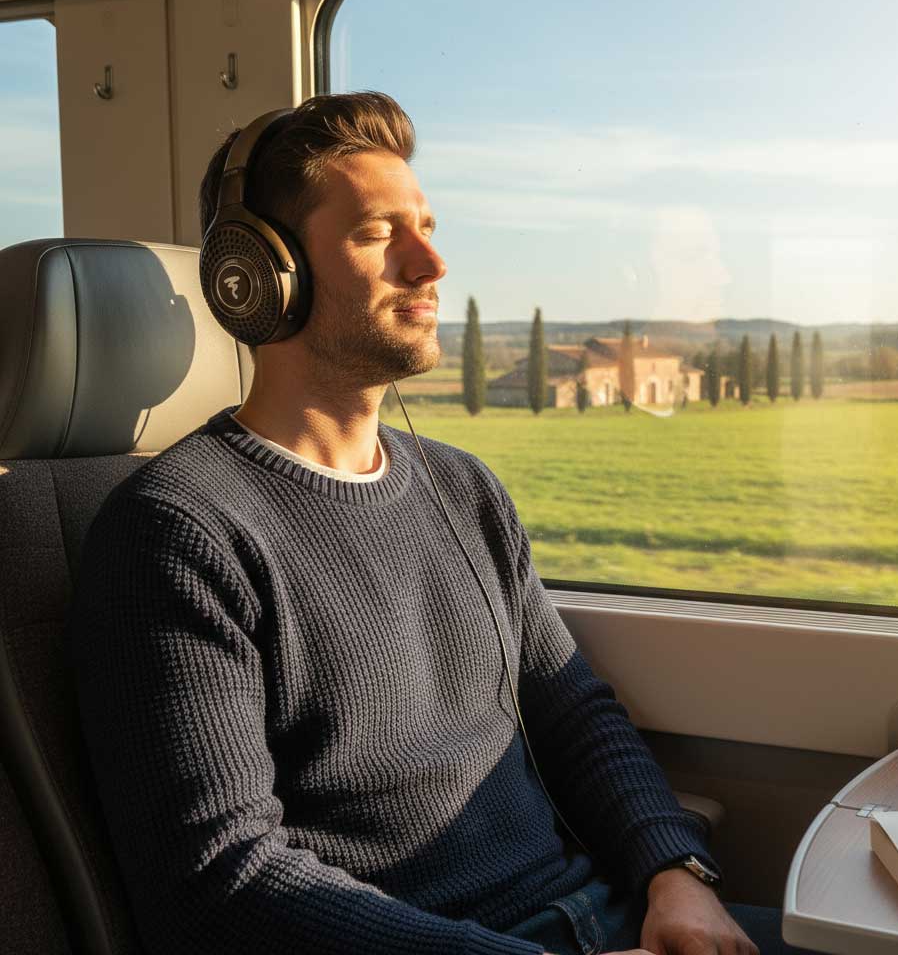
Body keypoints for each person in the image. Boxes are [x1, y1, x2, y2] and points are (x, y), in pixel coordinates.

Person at [70, 92, 816, 955]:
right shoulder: (178, 530)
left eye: (427, 225)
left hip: (603, 920)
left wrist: (675, 877)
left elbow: (570, 710)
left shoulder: (462, 487)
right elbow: (221, 879)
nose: (432, 263)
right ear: (261, 276)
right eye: (379, 234)